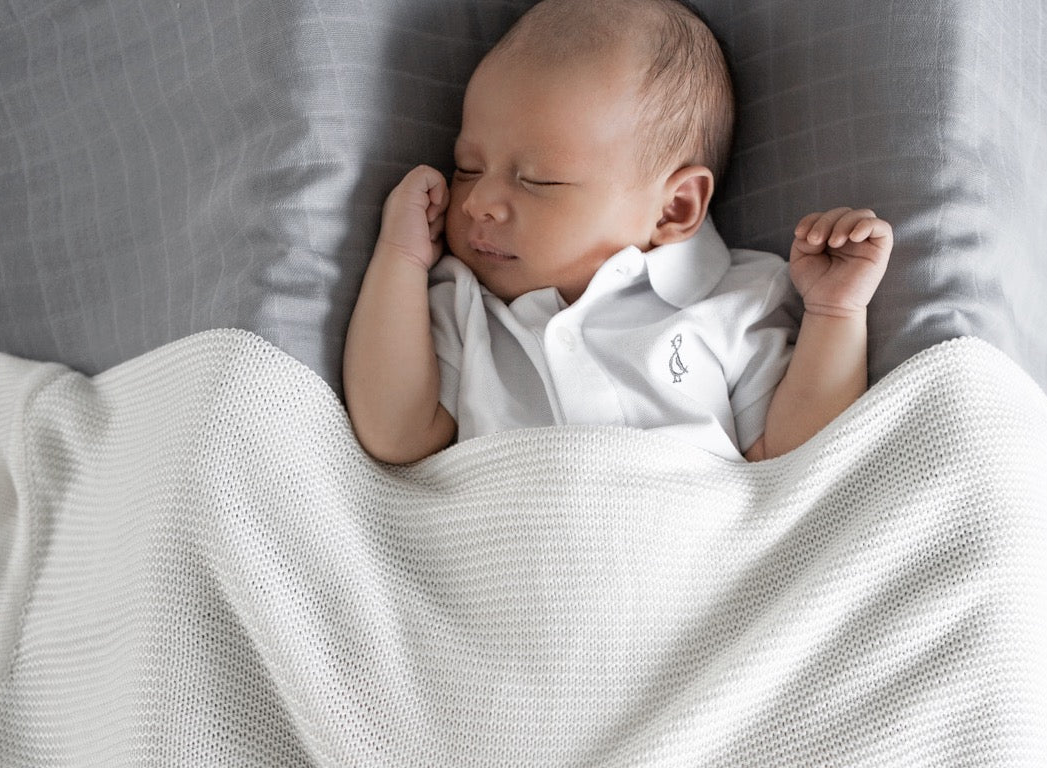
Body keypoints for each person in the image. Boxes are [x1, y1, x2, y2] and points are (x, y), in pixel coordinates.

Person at [343, 0, 892, 465]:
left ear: (674, 208)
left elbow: (801, 462)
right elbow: (397, 435)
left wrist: (835, 315)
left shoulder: (738, 301)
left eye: (538, 180)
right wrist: (400, 260)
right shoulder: (464, 305)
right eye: (467, 167)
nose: (479, 202)